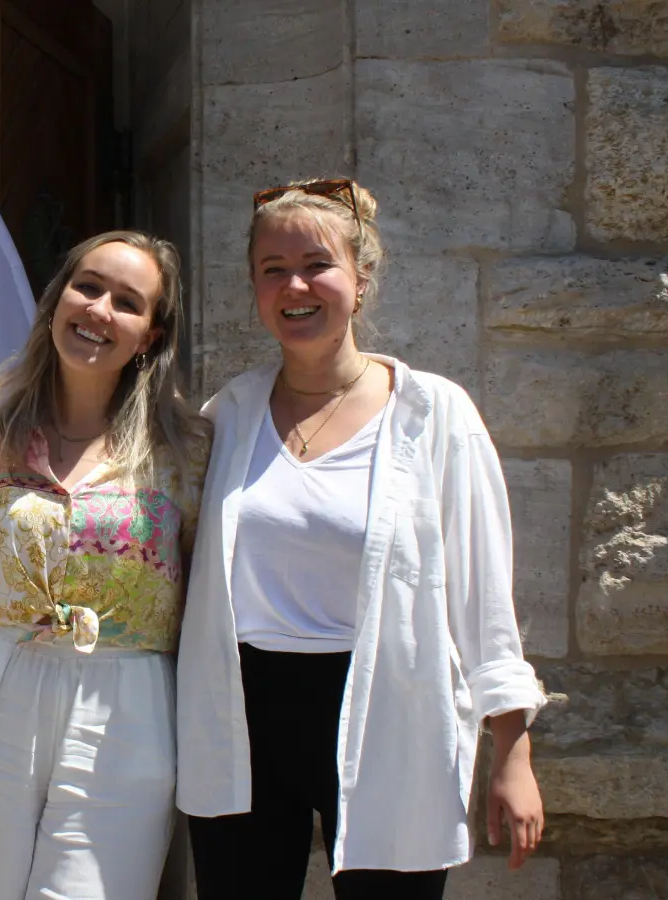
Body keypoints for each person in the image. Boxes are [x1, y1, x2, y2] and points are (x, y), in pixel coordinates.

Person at [176, 178, 547, 898]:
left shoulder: (435, 413)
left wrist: (512, 750)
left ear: (361, 277)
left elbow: (482, 594)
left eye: (317, 264)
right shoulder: (230, 413)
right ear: (254, 287)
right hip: (242, 716)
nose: (296, 285)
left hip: (387, 708)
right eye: (273, 270)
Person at [0, 230, 210, 898]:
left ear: (152, 336)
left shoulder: (187, 451)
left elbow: (202, 586)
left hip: (127, 702)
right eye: (87, 286)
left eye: (127, 302)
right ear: (57, 301)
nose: (100, 309)